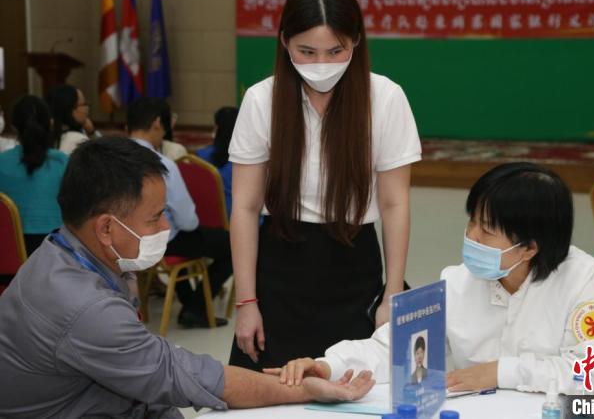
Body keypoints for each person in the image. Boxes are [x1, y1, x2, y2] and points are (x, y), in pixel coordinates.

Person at [0, 136, 375, 418]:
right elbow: (188, 377)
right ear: (106, 229)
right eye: (154, 218)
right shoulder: (85, 307)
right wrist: (303, 391)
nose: (166, 227)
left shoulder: (60, 252)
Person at [266, 163, 594, 395]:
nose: (471, 237)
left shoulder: (582, 281)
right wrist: (328, 365)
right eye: (471, 222)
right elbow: (394, 348)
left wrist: (498, 373)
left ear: (529, 248)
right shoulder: (459, 282)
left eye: (486, 231)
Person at [227, 0, 421, 371]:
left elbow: (394, 203)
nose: (321, 64)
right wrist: (246, 302)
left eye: (335, 51)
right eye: (307, 51)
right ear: (285, 42)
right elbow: (245, 207)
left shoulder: (385, 98)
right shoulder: (261, 100)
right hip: (280, 268)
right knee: (270, 390)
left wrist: (392, 293)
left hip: (354, 265)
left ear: (356, 41)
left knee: (353, 386)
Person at [127, 97, 233, 327]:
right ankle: (196, 308)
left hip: (122, 239)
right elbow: (188, 222)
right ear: (158, 123)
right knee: (232, 245)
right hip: (158, 240)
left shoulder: (111, 158)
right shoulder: (161, 164)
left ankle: (190, 305)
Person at [0, 96, 68, 256]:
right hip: (56, 254)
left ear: (14, 127)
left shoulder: (1, 162)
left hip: (8, 255)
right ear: (50, 123)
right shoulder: (63, 162)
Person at [197, 106, 238, 216]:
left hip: (205, 217)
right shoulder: (243, 163)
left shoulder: (200, 156)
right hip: (235, 220)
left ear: (216, 128)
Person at [46, 84, 99, 155]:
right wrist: (92, 133)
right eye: (84, 104)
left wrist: (91, 132)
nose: (87, 108)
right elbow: (104, 157)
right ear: (71, 110)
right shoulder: (78, 140)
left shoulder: (45, 135)